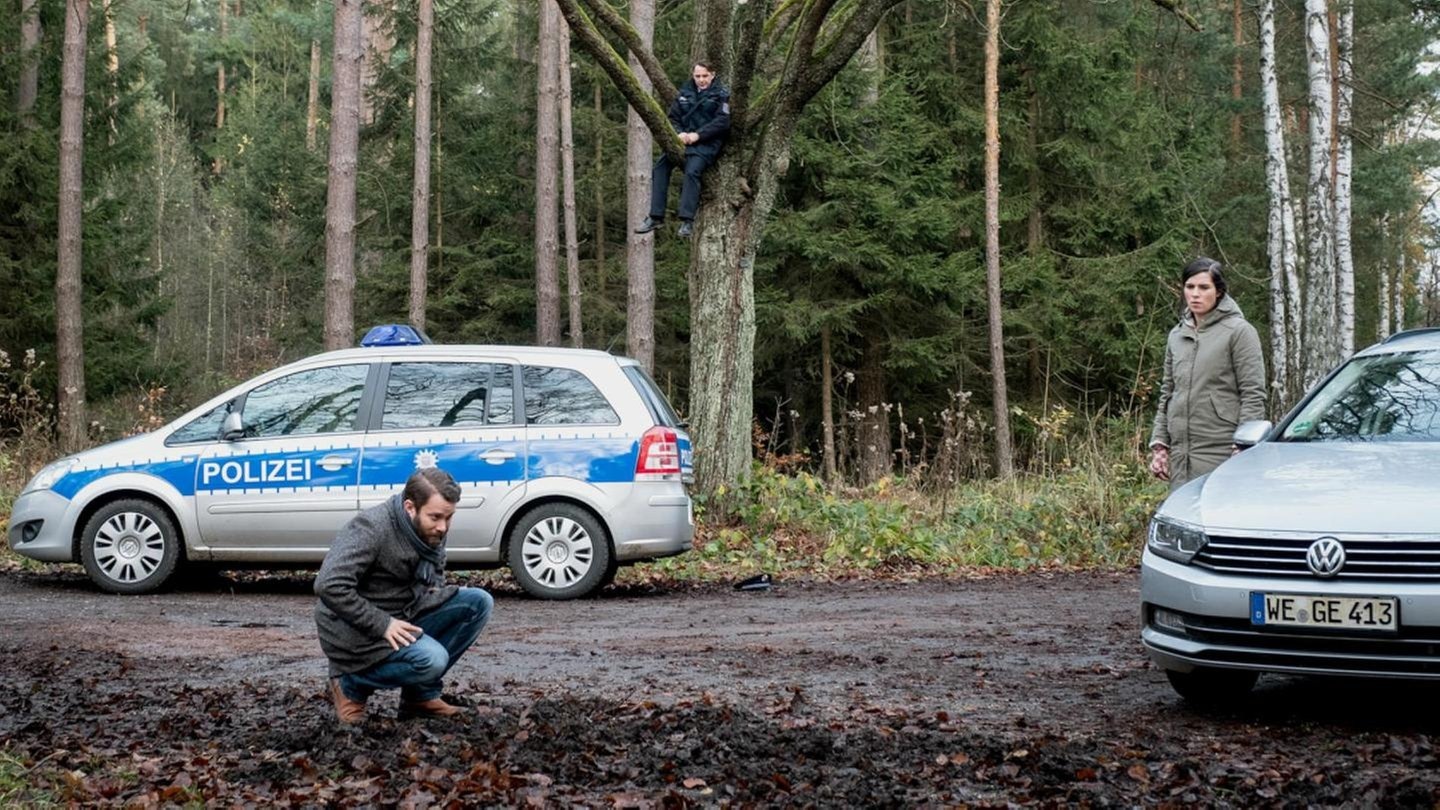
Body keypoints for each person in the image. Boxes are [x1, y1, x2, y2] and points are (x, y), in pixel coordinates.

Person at [315, 467, 493, 723]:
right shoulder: (372, 528)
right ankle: (350, 683)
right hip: (355, 631)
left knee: (478, 603)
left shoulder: (430, 527)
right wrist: (382, 623)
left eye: (449, 517)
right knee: (432, 659)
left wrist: (435, 592)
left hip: (405, 612)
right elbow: (329, 585)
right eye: (435, 517)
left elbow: (435, 570)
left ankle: (419, 697)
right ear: (410, 507)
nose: (443, 527)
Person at [1149, 257, 1266, 490]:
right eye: (1189, 287)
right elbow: (1168, 392)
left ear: (1219, 291)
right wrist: (1160, 445)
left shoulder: (1240, 332)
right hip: (1181, 454)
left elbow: (1253, 394)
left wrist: (1243, 446)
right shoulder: (1177, 335)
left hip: (1221, 451)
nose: (1195, 294)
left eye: (1204, 288)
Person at [634, 61, 731, 239]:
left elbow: (722, 122)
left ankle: (687, 220)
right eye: (697, 76)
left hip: (706, 144)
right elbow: (673, 118)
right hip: (683, 142)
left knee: (692, 172)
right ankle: (656, 216)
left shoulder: (721, 95)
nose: (701, 80)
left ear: (712, 75)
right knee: (660, 167)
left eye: (704, 76)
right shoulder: (684, 93)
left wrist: (698, 135)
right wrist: (679, 134)